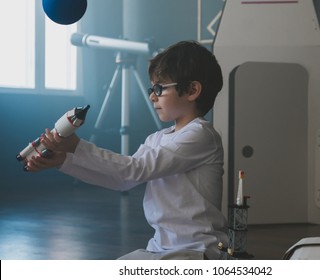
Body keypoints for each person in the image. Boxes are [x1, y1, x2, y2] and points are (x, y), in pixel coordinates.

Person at [26, 40, 228, 260]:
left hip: (197, 252)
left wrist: (76, 145)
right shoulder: (157, 138)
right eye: (152, 89)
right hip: (160, 248)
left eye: (160, 88)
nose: (152, 96)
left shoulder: (201, 135)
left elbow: (135, 169)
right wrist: (64, 161)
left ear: (192, 90)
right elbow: (123, 180)